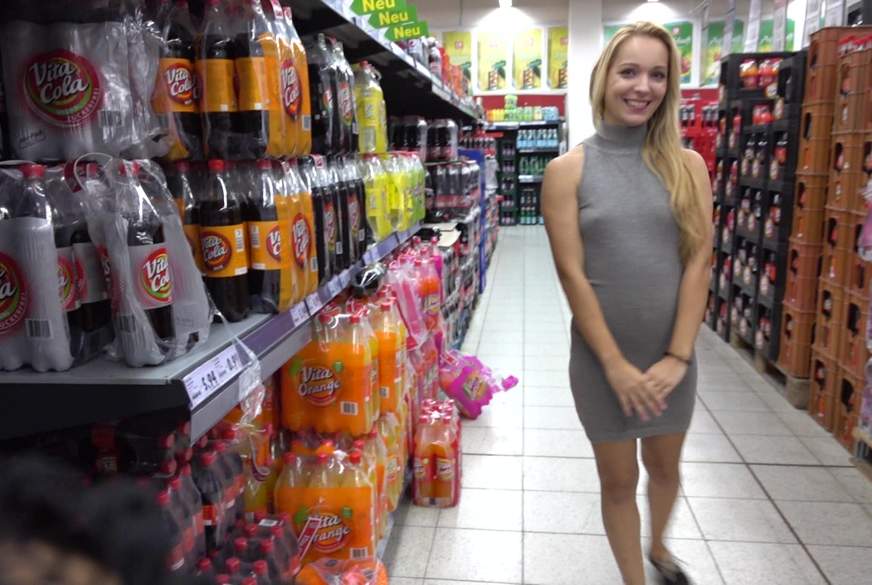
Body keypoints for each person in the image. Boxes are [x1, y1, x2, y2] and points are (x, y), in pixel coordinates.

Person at [541, 22, 712, 585]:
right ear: (604, 78)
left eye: (657, 75)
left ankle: (659, 549)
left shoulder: (688, 167)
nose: (643, 87)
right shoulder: (566, 172)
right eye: (629, 72)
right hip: (601, 362)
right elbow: (572, 275)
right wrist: (614, 364)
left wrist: (678, 357)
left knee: (664, 466)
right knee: (617, 481)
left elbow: (698, 262)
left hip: (671, 357)